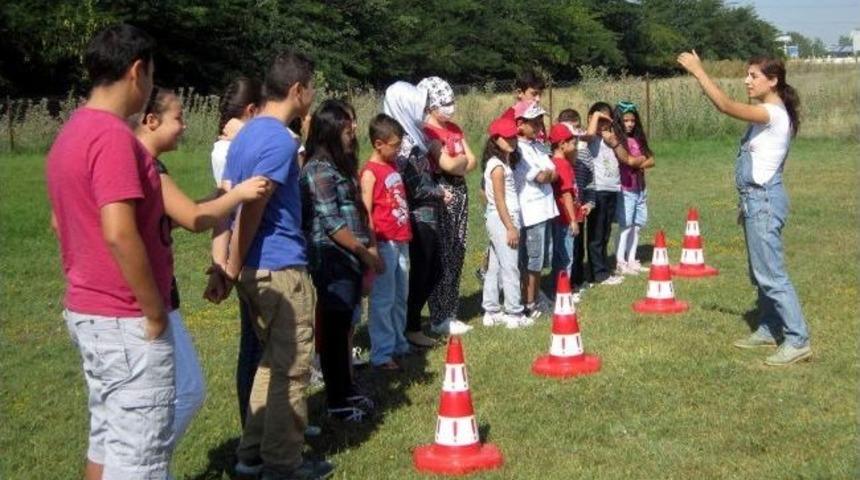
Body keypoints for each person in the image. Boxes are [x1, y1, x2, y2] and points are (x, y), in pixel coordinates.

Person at [45, 24, 175, 480]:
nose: (152, 86)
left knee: (106, 440)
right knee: (139, 456)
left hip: (90, 313)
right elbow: (120, 232)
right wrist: (155, 312)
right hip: (126, 323)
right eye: (153, 76)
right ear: (137, 72)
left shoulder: (71, 132)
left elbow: (60, 222)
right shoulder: (113, 136)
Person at [212, 51, 334, 479]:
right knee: (294, 367)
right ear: (298, 90)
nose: (313, 96)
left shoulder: (243, 136)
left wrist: (229, 265)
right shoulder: (281, 141)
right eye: (312, 87)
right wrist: (232, 263)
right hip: (279, 269)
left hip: (254, 271)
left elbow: (227, 201)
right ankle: (284, 463)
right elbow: (252, 209)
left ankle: (251, 456)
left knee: (272, 362)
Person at [133, 86, 271, 450]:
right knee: (187, 391)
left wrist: (218, 197)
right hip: (149, 300)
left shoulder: (137, 165)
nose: (184, 126)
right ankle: (142, 464)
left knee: (166, 394)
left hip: (154, 295)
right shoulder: (147, 167)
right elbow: (193, 219)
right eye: (178, 118)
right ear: (150, 121)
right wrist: (238, 194)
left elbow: (170, 218)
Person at [678, 51, 811, 366]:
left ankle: (797, 339)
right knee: (759, 272)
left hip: (763, 201)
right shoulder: (768, 115)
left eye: (753, 75)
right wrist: (747, 202)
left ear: (773, 80)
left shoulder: (772, 113)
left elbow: (724, 105)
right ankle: (768, 327)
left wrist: (699, 71)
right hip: (757, 200)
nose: (746, 80)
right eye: (747, 74)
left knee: (772, 274)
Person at [301, 100, 378, 421]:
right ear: (332, 130)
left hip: (350, 259)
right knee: (333, 334)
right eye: (348, 127)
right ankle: (337, 401)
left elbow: (356, 210)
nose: (354, 131)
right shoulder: (318, 169)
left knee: (345, 326)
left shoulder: (339, 166)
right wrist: (365, 253)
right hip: (332, 260)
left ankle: (346, 388)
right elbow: (331, 223)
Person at [207, 76, 266, 427]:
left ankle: (263, 421)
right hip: (246, 249)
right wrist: (224, 263)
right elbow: (226, 207)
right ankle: (252, 423)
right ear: (250, 110)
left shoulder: (231, 143)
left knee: (258, 342)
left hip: (242, 247)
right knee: (254, 345)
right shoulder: (228, 148)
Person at [382, 81, 450, 345]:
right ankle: (411, 327)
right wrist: (439, 192)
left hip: (427, 214)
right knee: (423, 270)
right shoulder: (401, 143)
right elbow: (412, 185)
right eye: (418, 107)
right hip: (416, 217)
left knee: (433, 268)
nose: (423, 112)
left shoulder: (413, 135)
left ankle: (411, 323)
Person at [418, 76, 477, 336]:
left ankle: (451, 311)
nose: (450, 107)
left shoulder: (454, 128)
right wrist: (459, 160)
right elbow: (448, 165)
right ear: (431, 105)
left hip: (461, 191)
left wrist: (458, 159)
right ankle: (439, 315)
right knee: (443, 253)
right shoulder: (428, 132)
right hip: (444, 193)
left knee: (458, 250)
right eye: (445, 103)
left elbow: (470, 162)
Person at [361, 113, 413, 368]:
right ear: (378, 144)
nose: (398, 149)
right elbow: (365, 211)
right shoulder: (370, 173)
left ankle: (398, 342)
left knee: (400, 295)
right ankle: (381, 354)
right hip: (384, 243)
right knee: (383, 299)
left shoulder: (391, 167)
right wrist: (372, 249)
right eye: (394, 145)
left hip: (401, 239)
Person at [480, 116, 533, 329]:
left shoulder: (501, 162)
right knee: (511, 266)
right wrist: (510, 226)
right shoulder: (498, 167)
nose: (512, 141)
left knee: (495, 266)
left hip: (499, 218)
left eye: (514, 137)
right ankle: (514, 312)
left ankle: (491, 309)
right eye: (507, 138)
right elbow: (500, 200)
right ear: (495, 140)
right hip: (504, 218)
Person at [512, 99, 558, 319]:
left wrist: (547, 174)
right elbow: (541, 176)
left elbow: (553, 172)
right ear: (520, 123)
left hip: (545, 209)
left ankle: (535, 297)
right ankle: (529, 301)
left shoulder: (538, 146)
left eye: (540, 120)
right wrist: (547, 174)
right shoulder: (519, 150)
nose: (539, 125)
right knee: (532, 260)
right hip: (531, 212)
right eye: (534, 121)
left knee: (540, 259)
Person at [582, 101, 633, 286]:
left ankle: (603, 268)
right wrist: (595, 119)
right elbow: (587, 135)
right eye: (600, 119)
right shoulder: (590, 138)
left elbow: (624, 157)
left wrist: (614, 142)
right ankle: (598, 273)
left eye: (607, 119)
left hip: (612, 188)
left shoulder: (611, 137)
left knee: (605, 232)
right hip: (598, 190)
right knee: (596, 233)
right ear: (592, 119)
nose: (604, 124)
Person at [613, 101, 655, 275]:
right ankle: (620, 261)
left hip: (640, 188)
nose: (630, 124)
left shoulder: (638, 139)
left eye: (632, 120)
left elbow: (651, 159)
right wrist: (639, 161)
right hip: (626, 188)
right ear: (619, 121)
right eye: (626, 120)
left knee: (637, 225)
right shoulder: (618, 141)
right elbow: (628, 160)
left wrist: (637, 162)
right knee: (626, 226)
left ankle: (632, 259)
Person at [547, 123, 582, 299]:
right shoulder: (562, 165)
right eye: (573, 143)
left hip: (557, 217)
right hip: (564, 219)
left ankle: (558, 290)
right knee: (566, 257)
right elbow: (567, 194)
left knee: (559, 256)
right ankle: (563, 292)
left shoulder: (554, 163)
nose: (575, 146)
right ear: (562, 144)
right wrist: (573, 219)